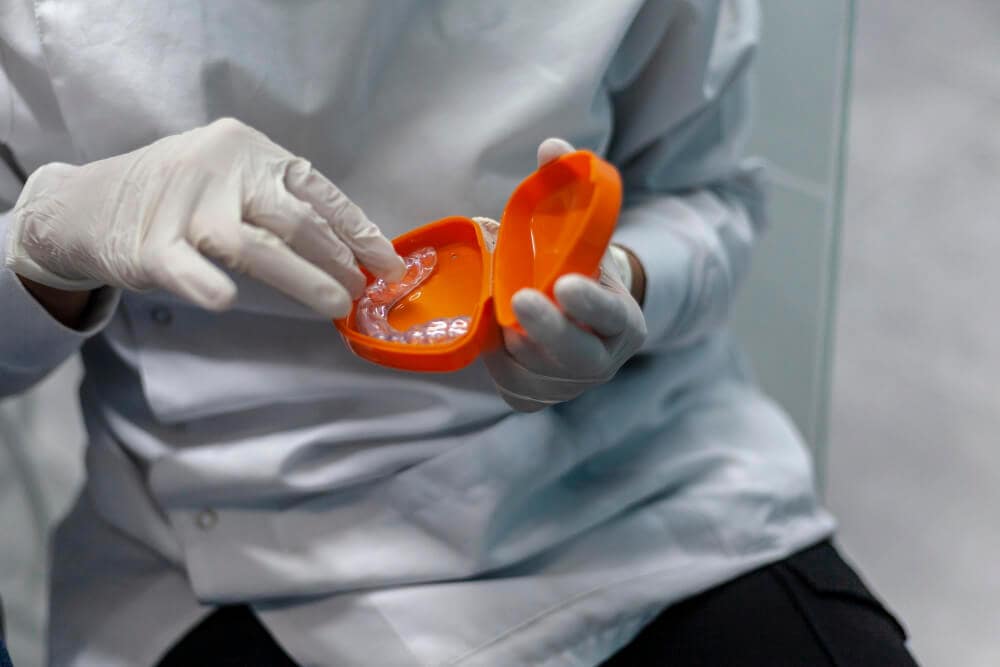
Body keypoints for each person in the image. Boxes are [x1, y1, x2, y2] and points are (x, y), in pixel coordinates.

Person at [0, 1, 918, 665]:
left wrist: (623, 283)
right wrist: (47, 242)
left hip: (640, 497)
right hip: (252, 542)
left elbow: (710, 195)